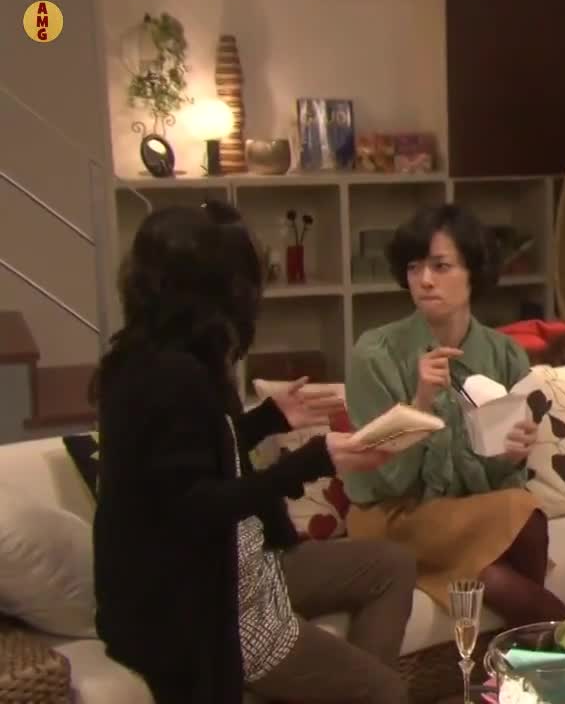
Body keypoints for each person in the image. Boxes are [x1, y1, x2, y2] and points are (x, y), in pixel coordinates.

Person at [92, 202, 418, 704]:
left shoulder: (163, 356)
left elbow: (192, 456)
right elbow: (195, 506)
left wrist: (268, 419)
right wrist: (313, 460)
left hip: (246, 563)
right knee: (387, 693)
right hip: (211, 600)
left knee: (390, 565)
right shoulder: (166, 376)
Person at [342, 204, 565, 626]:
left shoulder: (505, 354)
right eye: (414, 267)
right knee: (516, 533)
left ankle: (529, 657)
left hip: (462, 517)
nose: (424, 280)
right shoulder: (374, 354)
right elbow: (387, 480)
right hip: (393, 517)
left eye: (440, 266)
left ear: (473, 272)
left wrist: (511, 457)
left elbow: (501, 483)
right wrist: (421, 404)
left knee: (516, 533)